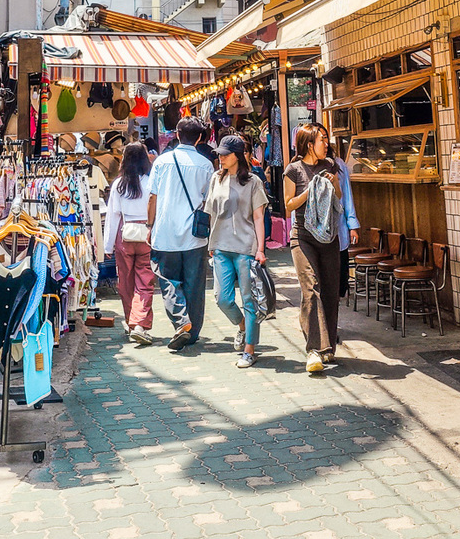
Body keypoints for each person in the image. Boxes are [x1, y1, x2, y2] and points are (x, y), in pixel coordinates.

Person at [283, 123, 356, 374]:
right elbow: (289, 205)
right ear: (308, 144)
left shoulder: (331, 166)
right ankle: (314, 349)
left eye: (326, 139)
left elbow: (338, 199)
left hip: (329, 236)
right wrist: (311, 188)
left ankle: (328, 349)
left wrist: (334, 183)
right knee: (310, 288)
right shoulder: (293, 170)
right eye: (322, 140)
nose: (327, 143)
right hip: (303, 236)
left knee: (330, 292)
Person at [147, 116, 213, 351]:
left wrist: (149, 225)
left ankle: (181, 321)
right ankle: (192, 332)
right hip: (195, 235)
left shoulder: (162, 162)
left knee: (168, 280)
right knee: (195, 284)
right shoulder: (206, 165)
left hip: (164, 232)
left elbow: (152, 197)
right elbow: (208, 201)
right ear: (199, 138)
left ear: (176, 134)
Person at [206, 134, 268, 369]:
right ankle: (242, 325)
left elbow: (259, 217)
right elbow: (210, 212)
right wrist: (211, 244)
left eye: (225, 154)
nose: (221, 158)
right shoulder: (216, 179)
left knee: (249, 299)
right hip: (220, 246)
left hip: (245, 248)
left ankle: (250, 350)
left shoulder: (253, 182)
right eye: (220, 154)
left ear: (238, 156)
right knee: (222, 299)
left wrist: (260, 249)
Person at [103, 142, 155, 345]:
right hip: (147, 234)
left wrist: (108, 246)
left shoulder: (118, 184)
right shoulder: (151, 182)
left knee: (125, 283)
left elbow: (113, 217)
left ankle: (132, 322)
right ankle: (139, 323)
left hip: (124, 235)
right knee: (145, 282)